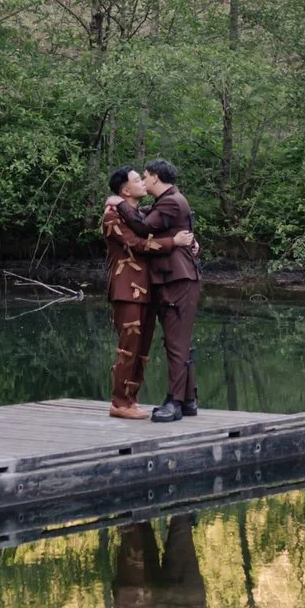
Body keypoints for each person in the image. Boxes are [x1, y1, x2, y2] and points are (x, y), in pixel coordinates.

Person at [102, 166, 191, 420]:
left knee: (142, 349)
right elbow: (137, 245)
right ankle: (120, 402)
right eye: (137, 180)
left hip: (148, 288)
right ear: (125, 190)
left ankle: (131, 400)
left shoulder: (139, 214)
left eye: (143, 178)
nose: (143, 182)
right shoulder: (111, 216)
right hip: (126, 289)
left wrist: (191, 242)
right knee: (128, 347)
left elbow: (157, 226)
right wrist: (173, 242)